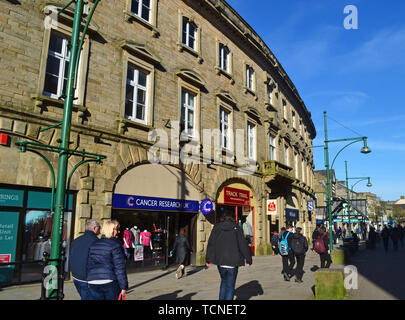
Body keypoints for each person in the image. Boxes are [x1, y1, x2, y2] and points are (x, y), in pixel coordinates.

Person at [206, 212, 252, 301]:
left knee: (223, 282)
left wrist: (208, 260)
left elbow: (211, 244)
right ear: (232, 219)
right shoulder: (237, 228)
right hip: (233, 262)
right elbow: (243, 244)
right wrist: (248, 259)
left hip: (221, 261)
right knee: (230, 286)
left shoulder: (217, 227)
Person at [87, 220, 128, 300]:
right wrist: (123, 286)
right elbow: (119, 267)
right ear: (111, 230)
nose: (119, 232)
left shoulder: (94, 244)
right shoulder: (115, 245)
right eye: (117, 229)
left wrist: (89, 278)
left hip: (93, 281)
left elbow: (89, 265)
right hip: (109, 281)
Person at [69, 219, 100, 300]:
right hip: (87, 279)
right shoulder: (96, 242)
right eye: (99, 227)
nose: (100, 229)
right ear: (94, 228)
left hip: (76, 276)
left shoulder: (76, 240)